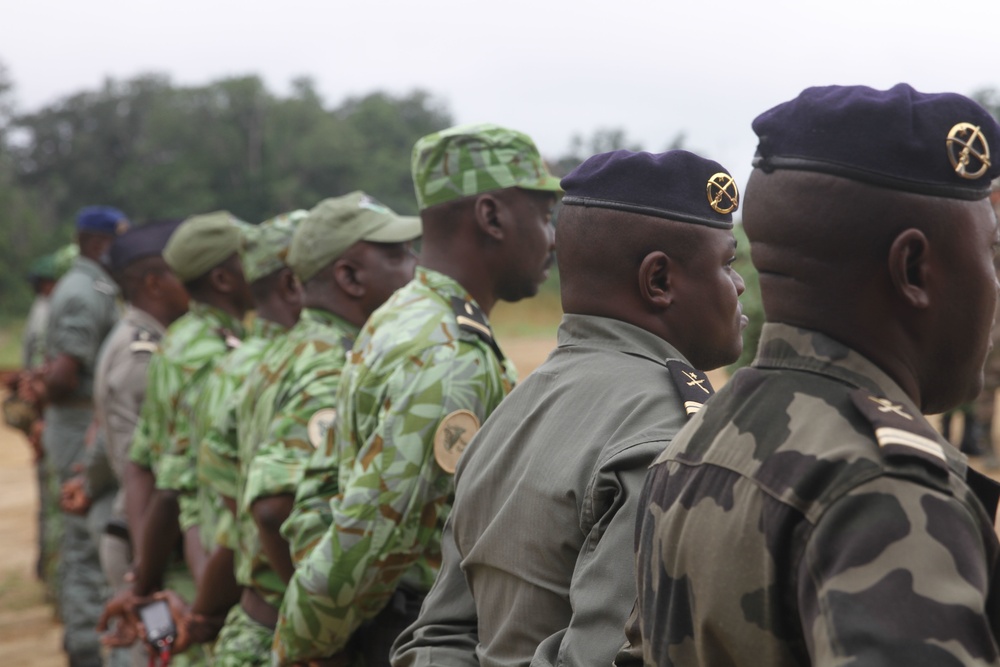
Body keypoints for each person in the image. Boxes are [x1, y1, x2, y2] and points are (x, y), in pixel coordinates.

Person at [622, 83, 1000, 666]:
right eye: (992, 253)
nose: (996, 285)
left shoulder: (693, 444)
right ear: (914, 268)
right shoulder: (883, 490)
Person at [391, 149, 747, 667]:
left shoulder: (511, 414)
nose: (739, 286)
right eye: (728, 264)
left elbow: (439, 638)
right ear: (660, 282)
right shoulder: (670, 431)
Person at [274, 123, 563, 666]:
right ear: (492, 217)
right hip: (404, 636)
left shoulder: (401, 318)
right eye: (545, 216)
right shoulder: (448, 353)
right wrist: (301, 644)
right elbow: (377, 529)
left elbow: (321, 487)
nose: (552, 237)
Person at [200, 192, 420, 666]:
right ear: (349, 277)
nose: (415, 269)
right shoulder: (332, 367)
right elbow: (272, 508)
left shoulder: (276, 355)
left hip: (257, 620)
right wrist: (320, 634)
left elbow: (224, 486)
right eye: (397, 256)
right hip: (290, 640)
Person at [101, 211, 252, 666]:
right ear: (224, 278)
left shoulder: (178, 342)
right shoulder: (210, 356)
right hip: (203, 567)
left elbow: (142, 461)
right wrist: (150, 584)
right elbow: (176, 487)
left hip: (181, 561)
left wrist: (142, 580)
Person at [158, 210, 308, 656]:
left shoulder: (229, 356)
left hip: (223, 579)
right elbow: (244, 513)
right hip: (244, 590)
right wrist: (205, 608)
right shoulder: (223, 360)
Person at [69, 219, 188, 666]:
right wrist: (146, 571)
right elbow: (144, 466)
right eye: (183, 275)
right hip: (145, 538)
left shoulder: (145, 342)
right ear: (155, 284)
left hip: (146, 533)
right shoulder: (142, 356)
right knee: (156, 651)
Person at [36, 205, 128, 667]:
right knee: (85, 538)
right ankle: (88, 649)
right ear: (102, 242)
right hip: (77, 426)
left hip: (78, 423)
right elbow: (64, 373)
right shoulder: (86, 290)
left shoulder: (86, 284)